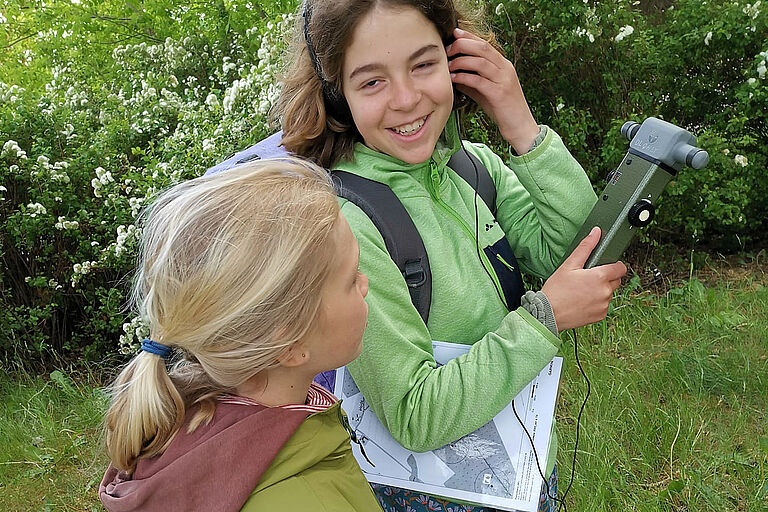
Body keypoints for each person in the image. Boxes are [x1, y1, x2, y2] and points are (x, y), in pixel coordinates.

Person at [277, 1, 628, 511]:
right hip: (432, 494)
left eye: (423, 64)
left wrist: (520, 124)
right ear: (337, 98)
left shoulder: (474, 169)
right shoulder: (346, 225)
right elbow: (415, 414)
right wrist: (544, 316)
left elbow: (579, 252)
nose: (405, 98)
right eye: (371, 82)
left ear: (456, 60)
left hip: (519, 468)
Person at [98, 158, 381, 511]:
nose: (365, 285)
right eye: (351, 278)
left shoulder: (186, 415)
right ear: (290, 345)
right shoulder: (304, 499)